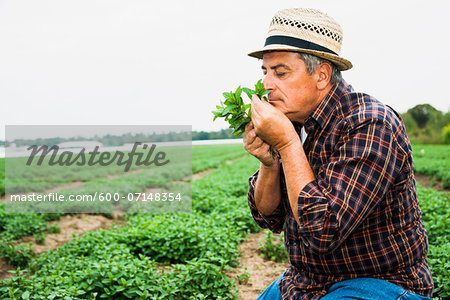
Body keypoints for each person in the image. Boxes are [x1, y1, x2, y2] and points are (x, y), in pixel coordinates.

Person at [243, 8, 433, 300]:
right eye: (265, 72)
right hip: (306, 281)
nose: (267, 84)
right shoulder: (293, 121)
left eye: (281, 72)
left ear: (321, 75)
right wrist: (270, 163)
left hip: (380, 282)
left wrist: (288, 145)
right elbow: (268, 217)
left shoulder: (370, 123)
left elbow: (323, 230)